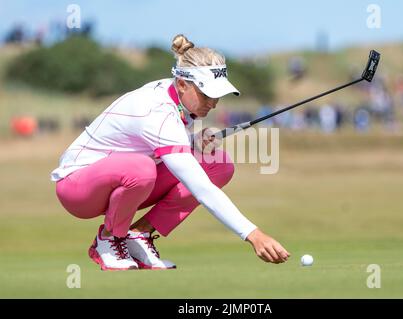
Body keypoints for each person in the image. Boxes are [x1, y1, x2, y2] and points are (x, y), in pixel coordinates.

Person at [51, 34, 290, 271]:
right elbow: (200, 187)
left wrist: (191, 141)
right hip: (78, 188)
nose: (214, 103)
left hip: (125, 183)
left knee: (218, 165)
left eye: (218, 95)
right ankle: (109, 238)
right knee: (142, 170)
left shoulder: (175, 95)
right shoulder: (155, 110)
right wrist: (253, 235)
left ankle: (139, 235)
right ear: (183, 84)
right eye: (207, 95)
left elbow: (152, 142)